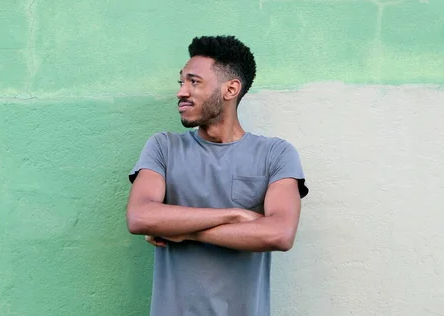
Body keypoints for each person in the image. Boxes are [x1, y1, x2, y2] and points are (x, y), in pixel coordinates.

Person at [126, 35, 309, 316]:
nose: (181, 92)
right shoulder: (163, 147)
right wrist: (235, 215)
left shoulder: (276, 154)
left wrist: (182, 230)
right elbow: (140, 216)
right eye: (182, 82)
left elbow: (280, 234)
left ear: (230, 89)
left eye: (194, 82)